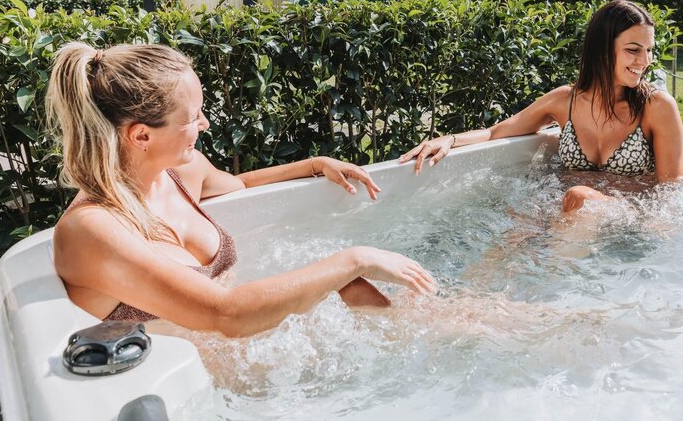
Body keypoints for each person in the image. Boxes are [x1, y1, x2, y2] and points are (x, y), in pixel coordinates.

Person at [47, 42, 436, 338]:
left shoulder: (179, 172)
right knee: (358, 281)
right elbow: (226, 314)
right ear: (141, 136)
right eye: (192, 117)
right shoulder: (92, 230)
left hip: (263, 349)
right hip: (207, 394)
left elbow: (241, 185)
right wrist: (355, 258)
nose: (205, 124)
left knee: (375, 297)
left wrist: (314, 165)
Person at [399, 0, 683, 212]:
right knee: (517, 225)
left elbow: (671, 191)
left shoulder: (656, 107)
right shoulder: (565, 100)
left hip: (626, 213)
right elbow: (497, 132)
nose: (645, 61)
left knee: (580, 195)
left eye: (649, 50)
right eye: (633, 50)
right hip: (567, 210)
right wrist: (449, 140)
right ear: (602, 49)